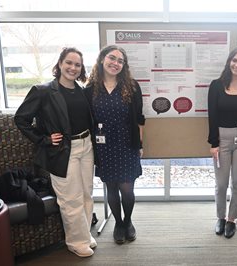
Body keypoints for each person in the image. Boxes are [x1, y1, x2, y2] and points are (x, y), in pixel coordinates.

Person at [14, 47, 97, 257]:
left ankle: (84, 234)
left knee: (87, 193)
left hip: (86, 146)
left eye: (77, 64)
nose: (73, 67)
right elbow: (21, 119)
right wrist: (43, 139)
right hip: (62, 150)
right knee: (71, 198)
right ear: (60, 64)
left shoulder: (81, 90)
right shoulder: (43, 91)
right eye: (69, 62)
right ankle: (76, 242)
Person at [84, 45, 145, 244]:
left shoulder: (132, 86)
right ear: (102, 59)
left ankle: (128, 221)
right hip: (103, 146)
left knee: (127, 188)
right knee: (111, 188)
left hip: (128, 144)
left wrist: (140, 144)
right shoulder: (90, 89)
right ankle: (118, 223)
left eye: (120, 61)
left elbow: (139, 119)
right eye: (112, 58)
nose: (115, 63)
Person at [207, 46, 237, 238]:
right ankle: (220, 217)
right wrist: (214, 143)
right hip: (222, 138)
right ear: (229, 61)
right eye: (234, 60)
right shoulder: (216, 85)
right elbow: (212, 115)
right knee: (221, 184)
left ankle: (231, 218)